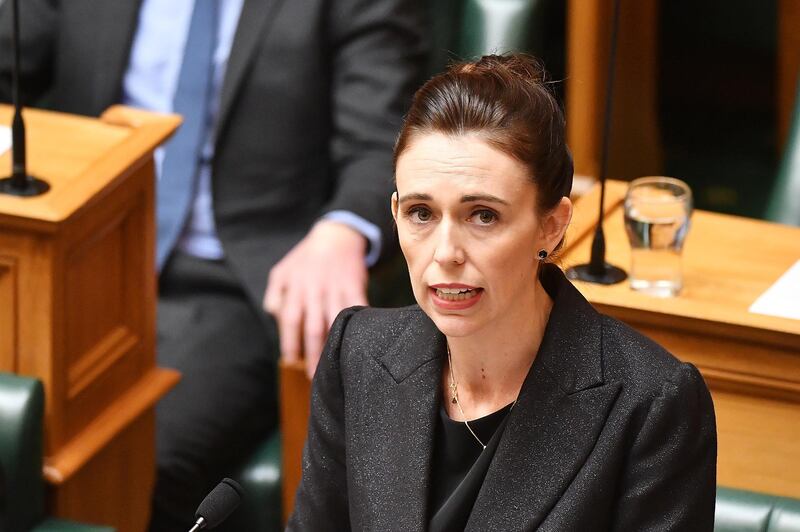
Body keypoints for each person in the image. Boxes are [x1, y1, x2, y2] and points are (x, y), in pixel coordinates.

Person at [0, 0, 425, 529]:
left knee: (136, 461)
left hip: (231, 285)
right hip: (70, 261)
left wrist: (341, 230)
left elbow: (387, 137)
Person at [288, 54, 717, 531]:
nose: (446, 252)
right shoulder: (360, 353)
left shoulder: (650, 404)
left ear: (552, 227)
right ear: (395, 213)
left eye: (483, 216)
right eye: (421, 214)